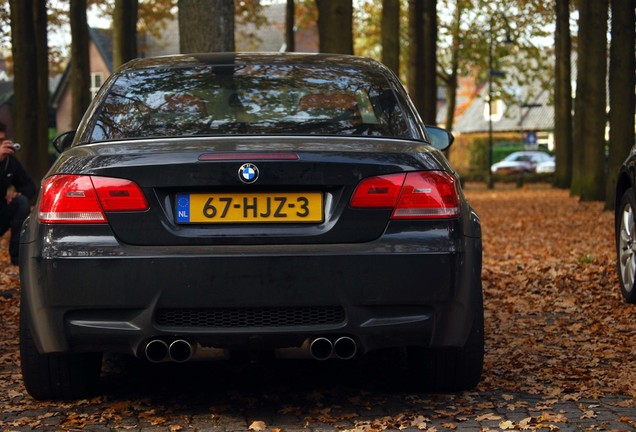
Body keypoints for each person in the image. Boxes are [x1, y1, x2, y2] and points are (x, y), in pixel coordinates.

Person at [0, 122, 35, 265]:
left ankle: (17, 258)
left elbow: (30, 186)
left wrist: (17, 194)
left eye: (2, 140)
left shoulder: (10, 162)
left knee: (21, 202)